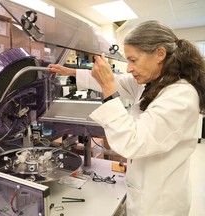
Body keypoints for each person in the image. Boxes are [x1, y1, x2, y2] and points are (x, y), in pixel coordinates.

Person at [48, 20, 205, 216]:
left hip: (159, 204)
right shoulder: (156, 80)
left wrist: (108, 89)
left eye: (133, 60)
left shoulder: (180, 96)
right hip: (145, 189)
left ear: (160, 54)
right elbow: (120, 82)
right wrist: (73, 72)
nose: (129, 68)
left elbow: (133, 142)